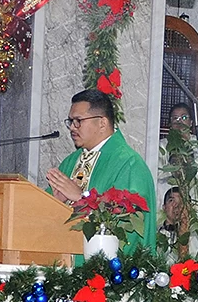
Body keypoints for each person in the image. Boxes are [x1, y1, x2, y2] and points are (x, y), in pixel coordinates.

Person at [46, 89, 158, 252]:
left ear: (102, 123)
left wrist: (81, 197)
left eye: (78, 121)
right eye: (70, 121)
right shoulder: (71, 162)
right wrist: (54, 202)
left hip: (105, 270)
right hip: (64, 261)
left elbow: (126, 224)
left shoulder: (129, 164)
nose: (72, 128)